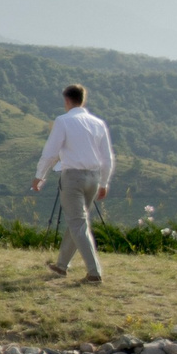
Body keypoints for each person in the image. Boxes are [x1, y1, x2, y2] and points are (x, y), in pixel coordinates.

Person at [32, 84, 114, 282]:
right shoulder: (98, 123)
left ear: (67, 100)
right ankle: (61, 265)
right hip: (93, 178)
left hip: (72, 177)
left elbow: (51, 152)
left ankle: (94, 272)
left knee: (77, 223)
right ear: (83, 100)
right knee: (77, 221)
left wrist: (39, 175)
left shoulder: (63, 121)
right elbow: (108, 157)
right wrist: (104, 182)